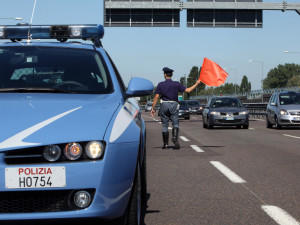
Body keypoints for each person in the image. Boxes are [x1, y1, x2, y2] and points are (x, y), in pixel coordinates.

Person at [150, 67, 201, 149]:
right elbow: (188, 90)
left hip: (164, 104)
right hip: (174, 104)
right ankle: (174, 137)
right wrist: (197, 84)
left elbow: (156, 97)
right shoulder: (176, 84)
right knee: (175, 123)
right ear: (172, 74)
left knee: (164, 125)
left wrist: (153, 108)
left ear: (165, 75)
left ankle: (165, 145)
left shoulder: (160, 84)